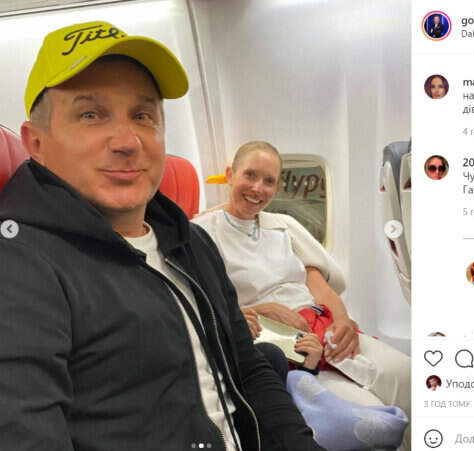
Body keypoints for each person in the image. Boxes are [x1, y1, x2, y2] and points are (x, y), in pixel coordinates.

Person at [0, 21, 324, 451]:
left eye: (143, 116)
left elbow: (246, 367)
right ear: (36, 143)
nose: (128, 141)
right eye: (90, 114)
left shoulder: (191, 242)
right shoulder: (21, 265)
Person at [193, 141, 411, 450]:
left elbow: (318, 285)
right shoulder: (201, 233)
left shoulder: (283, 225)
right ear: (230, 174)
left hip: (322, 327)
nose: (258, 188)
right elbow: (202, 308)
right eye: (250, 175)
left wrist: (343, 321)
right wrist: (264, 309)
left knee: (409, 376)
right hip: (282, 345)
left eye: (269, 181)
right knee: (370, 416)